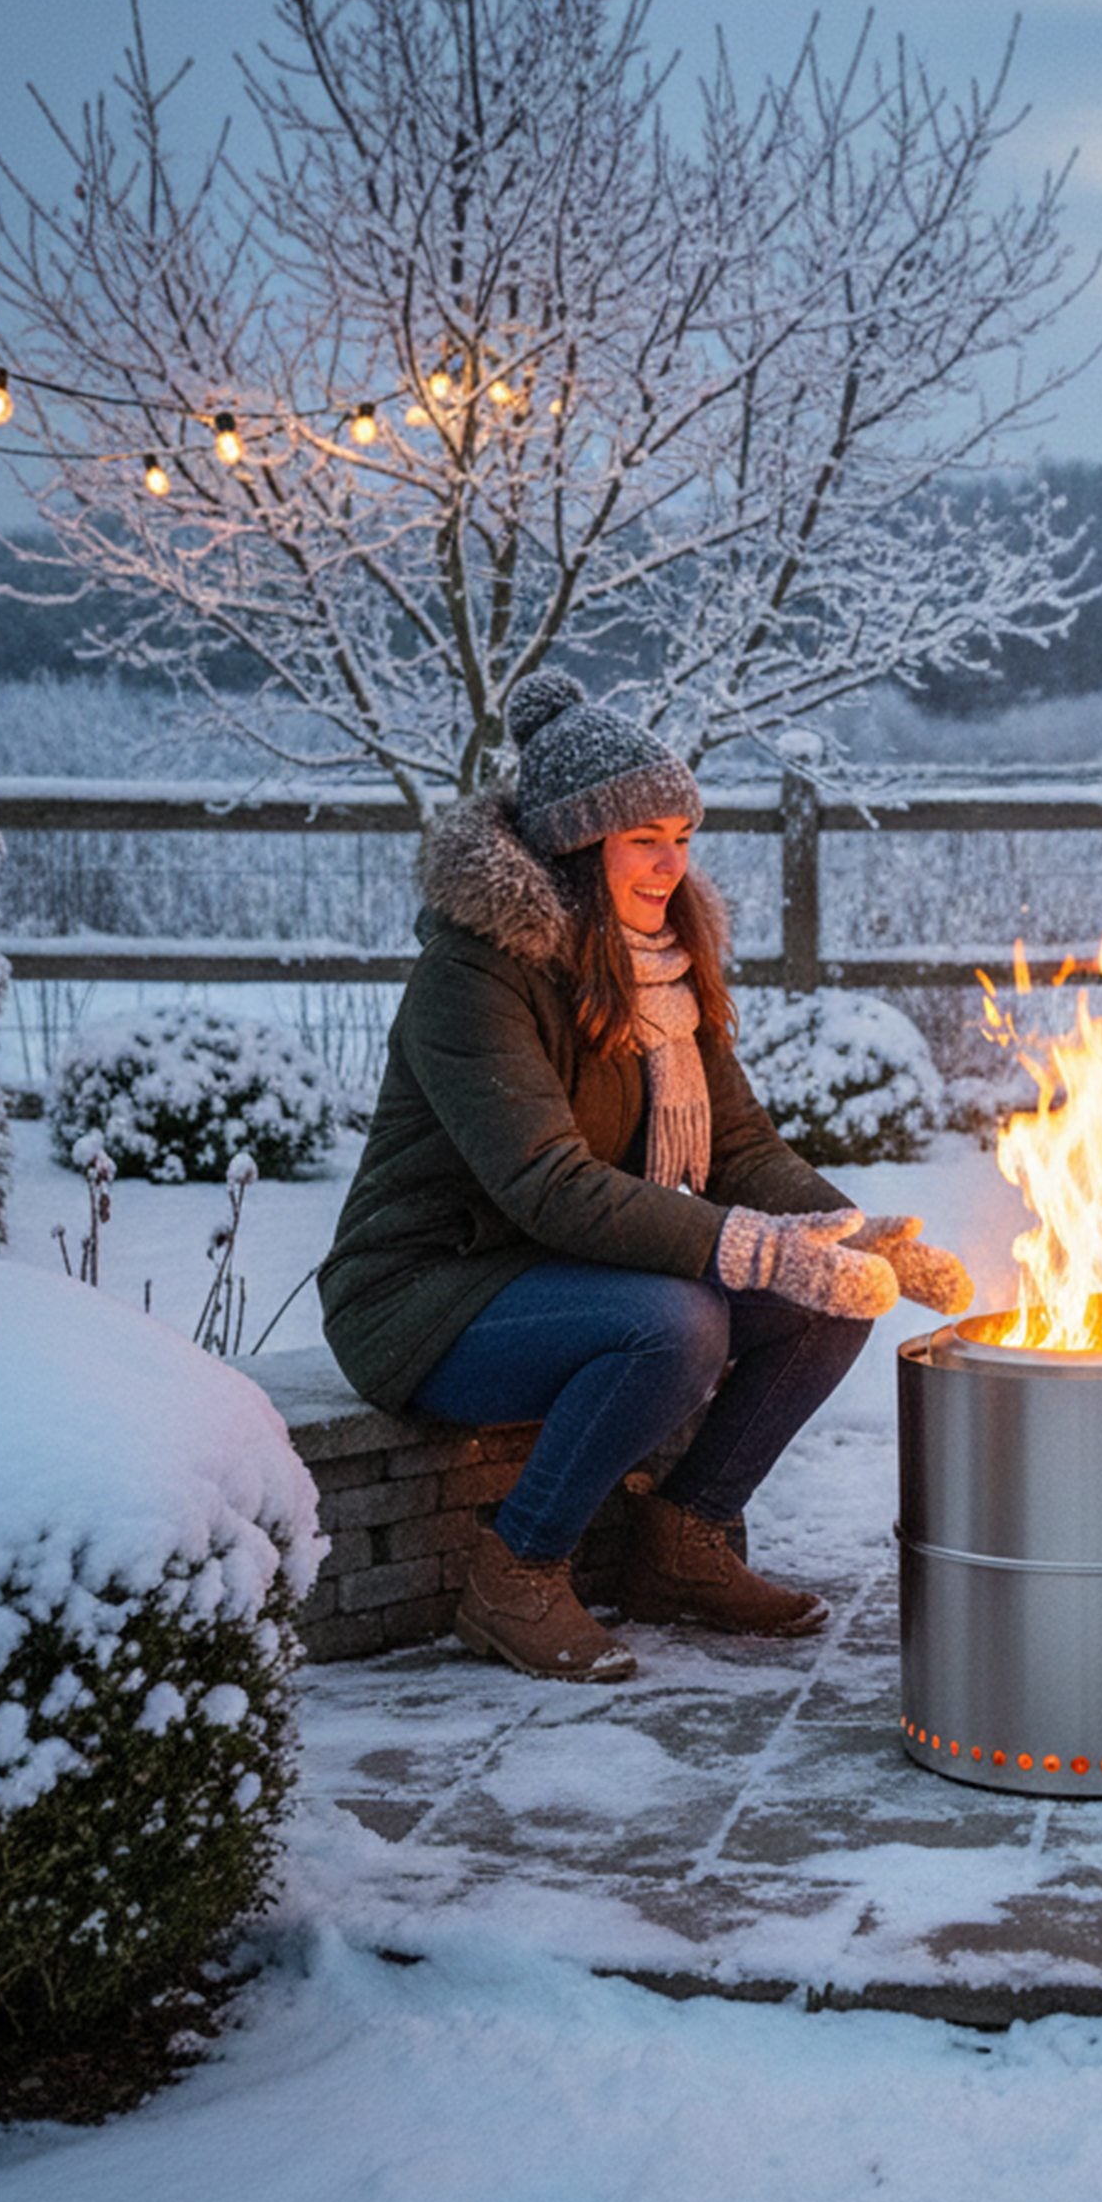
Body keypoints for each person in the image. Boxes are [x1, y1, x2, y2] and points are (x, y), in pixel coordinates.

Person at [318, 669, 971, 1686]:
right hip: (429, 1295)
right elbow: (546, 1183)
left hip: (559, 1270)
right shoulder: (474, 974)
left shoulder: (663, 964)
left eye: (682, 835)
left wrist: (849, 1232)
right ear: (578, 848)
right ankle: (515, 1575)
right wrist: (747, 1249)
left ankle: (683, 1543)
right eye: (644, 839)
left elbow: (743, 1147)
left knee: (834, 1298)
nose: (672, 864)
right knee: (678, 1323)